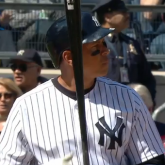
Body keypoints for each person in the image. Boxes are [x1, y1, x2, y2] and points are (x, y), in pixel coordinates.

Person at [0, 12, 165, 165]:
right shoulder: (27, 106)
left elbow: (151, 159)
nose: (106, 51)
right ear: (69, 57)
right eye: (96, 48)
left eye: (104, 44)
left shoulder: (128, 97)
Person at [92, 0, 157, 105]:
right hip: (105, 106)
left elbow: (147, 78)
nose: (128, 15)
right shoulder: (95, 45)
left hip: (132, 107)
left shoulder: (131, 43)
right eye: (122, 12)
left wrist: (148, 102)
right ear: (107, 16)